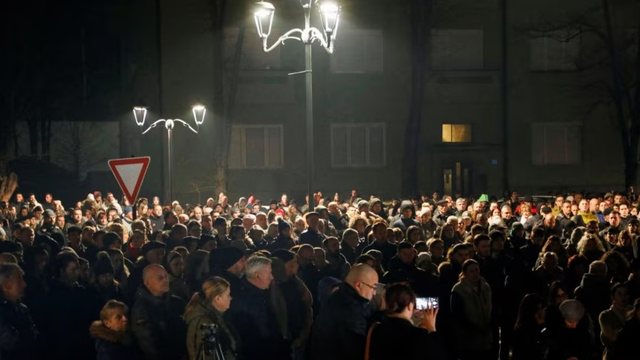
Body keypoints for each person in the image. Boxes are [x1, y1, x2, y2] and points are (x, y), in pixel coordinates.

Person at [225, 255, 290, 359]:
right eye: (269, 273)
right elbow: (261, 334)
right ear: (257, 275)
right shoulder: (247, 300)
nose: (272, 277)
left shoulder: (259, 294)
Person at [310, 263, 379, 360]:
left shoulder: (337, 296)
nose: (374, 292)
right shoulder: (352, 309)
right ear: (358, 285)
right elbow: (357, 347)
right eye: (373, 287)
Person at [367, 283, 444, 360]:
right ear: (410, 306)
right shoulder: (417, 335)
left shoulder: (375, 328)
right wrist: (431, 328)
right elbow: (438, 355)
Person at [131, 264, 187, 360]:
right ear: (147, 283)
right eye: (160, 278)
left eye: (166, 277)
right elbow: (149, 344)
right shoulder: (141, 310)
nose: (166, 280)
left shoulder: (176, 302)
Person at [184, 276, 236, 360]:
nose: (230, 298)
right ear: (218, 298)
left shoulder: (216, 317)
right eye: (228, 295)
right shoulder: (205, 323)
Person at [451, 259, 493, 360]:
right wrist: (470, 327)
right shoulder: (458, 290)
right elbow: (457, 314)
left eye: (477, 270)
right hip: (468, 336)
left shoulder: (485, 286)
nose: (475, 273)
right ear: (465, 273)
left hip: (486, 334)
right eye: (471, 271)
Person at [0, 263, 38, 360]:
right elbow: (10, 343)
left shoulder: (22, 308)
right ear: (7, 285)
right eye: (19, 280)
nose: (24, 284)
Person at [511, 293, 547, 360]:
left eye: (542, 308)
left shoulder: (543, 329)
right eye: (538, 309)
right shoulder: (524, 333)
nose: (542, 312)